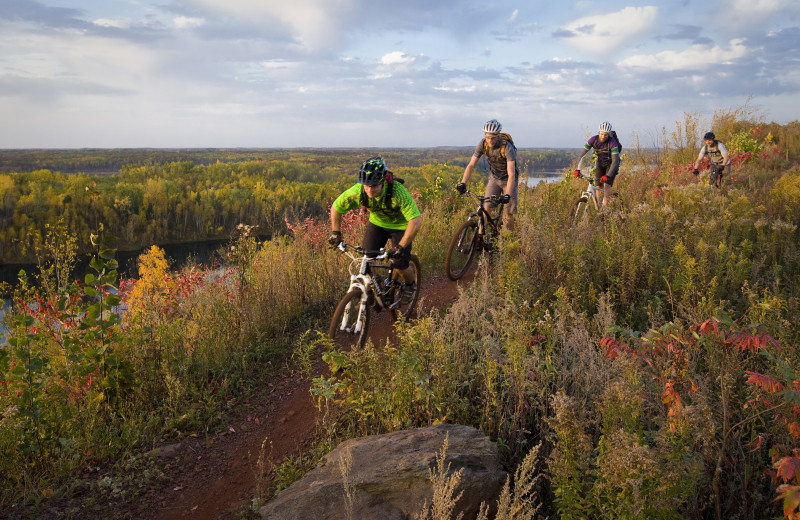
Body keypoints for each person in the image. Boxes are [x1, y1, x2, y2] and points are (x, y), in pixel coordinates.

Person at [328, 157, 422, 302]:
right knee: (367, 259)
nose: (369, 189)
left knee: (399, 264)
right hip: (377, 224)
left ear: (383, 182)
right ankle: (375, 286)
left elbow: (415, 221)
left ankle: (410, 285)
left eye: (374, 186)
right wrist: (336, 233)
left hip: (401, 227)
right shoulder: (358, 191)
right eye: (366, 186)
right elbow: (336, 207)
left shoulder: (398, 192)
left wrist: (401, 247)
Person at [456, 119, 517, 231]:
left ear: (498, 135)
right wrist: (463, 183)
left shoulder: (507, 148)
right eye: (488, 137)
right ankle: (480, 238)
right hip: (494, 178)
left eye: (493, 137)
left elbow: (512, 174)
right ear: (485, 134)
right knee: (486, 207)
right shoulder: (483, 144)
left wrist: (507, 194)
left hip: (508, 180)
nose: (490, 140)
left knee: (508, 212)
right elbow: (471, 165)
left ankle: (509, 240)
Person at [573, 121, 620, 207]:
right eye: (601, 134)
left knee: (606, 185)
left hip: (611, 164)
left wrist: (608, 175)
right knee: (598, 184)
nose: (603, 136)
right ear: (599, 132)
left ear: (609, 134)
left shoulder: (612, 142)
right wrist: (578, 169)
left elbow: (615, 161)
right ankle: (597, 207)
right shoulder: (593, 140)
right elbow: (582, 154)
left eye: (605, 134)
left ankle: (605, 210)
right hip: (600, 162)